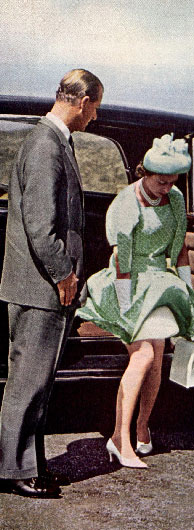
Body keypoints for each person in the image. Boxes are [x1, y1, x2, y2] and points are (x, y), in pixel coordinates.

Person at [0, 69, 103, 497]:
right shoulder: (46, 146)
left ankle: (30, 465)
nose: (95, 116)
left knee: (35, 382)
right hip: (40, 287)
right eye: (96, 107)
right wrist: (64, 274)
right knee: (28, 382)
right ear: (81, 102)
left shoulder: (52, 141)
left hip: (38, 286)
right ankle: (15, 471)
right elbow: (42, 229)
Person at [77, 134, 194, 468]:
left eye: (173, 182)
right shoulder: (126, 203)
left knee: (156, 359)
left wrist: (187, 289)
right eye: (161, 181)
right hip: (126, 282)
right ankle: (120, 438)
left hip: (161, 283)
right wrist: (126, 303)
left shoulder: (174, 199)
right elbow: (122, 259)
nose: (167, 188)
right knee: (143, 354)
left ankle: (143, 425)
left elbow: (181, 249)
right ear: (143, 172)